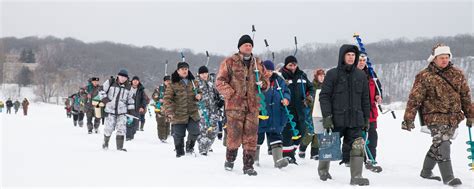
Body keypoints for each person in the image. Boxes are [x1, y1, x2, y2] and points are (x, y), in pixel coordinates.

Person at [402, 44, 473, 186]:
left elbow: (465, 96)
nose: (445, 60)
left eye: (447, 57)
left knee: (438, 143)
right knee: (443, 142)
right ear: (434, 58)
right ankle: (449, 178)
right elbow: (414, 99)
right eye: (442, 58)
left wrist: (470, 115)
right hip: (433, 116)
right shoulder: (424, 76)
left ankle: (426, 171)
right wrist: (408, 119)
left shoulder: (457, 74)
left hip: (453, 117)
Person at [215, 34, 269, 176]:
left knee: (251, 137)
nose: (248, 46)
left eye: (250, 45)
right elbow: (220, 81)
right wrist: (231, 94)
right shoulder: (229, 62)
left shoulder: (258, 63)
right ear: (240, 47)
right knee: (234, 136)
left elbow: (266, 82)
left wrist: (262, 84)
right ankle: (230, 159)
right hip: (234, 107)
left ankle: (248, 166)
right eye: (245, 44)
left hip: (253, 106)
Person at [319, 44, 370, 185]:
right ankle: (323, 170)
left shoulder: (361, 75)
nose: (351, 57)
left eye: (353, 55)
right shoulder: (332, 74)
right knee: (329, 144)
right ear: (342, 56)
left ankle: (356, 177)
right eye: (348, 55)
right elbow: (324, 96)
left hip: (356, 119)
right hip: (336, 119)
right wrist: (327, 116)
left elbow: (365, 99)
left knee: (358, 144)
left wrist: (366, 118)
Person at [255, 60, 290, 168]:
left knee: (276, 136)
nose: (269, 72)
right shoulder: (257, 80)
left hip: (276, 114)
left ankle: (278, 160)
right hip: (262, 114)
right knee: (257, 137)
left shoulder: (279, 81)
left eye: (271, 70)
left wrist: (286, 99)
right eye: (267, 70)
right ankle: (254, 159)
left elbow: (286, 91)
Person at [280, 55, 315, 164]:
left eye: (295, 64)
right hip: (287, 110)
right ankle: (288, 156)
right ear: (286, 65)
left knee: (301, 132)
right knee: (288, 133)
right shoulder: (281, 76)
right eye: (290, 65)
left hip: (301, 109)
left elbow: (311, 88)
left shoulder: (302, 76)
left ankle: (292, 151)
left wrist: (309, 97)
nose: (293, 67)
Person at [163, 62, 202, 157]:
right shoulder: (173, 84)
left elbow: (200, 93)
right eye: (182, 69)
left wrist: (199, 96)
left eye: (186, 69)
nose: (185, 71)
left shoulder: (194, 82)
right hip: (178, 114)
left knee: (195, 132)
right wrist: (169, 111)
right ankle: (180, 153)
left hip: (192, 113)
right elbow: (167, 99)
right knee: (178, 136)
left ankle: (189, 147)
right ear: (178, 71)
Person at [356, 53, 383, 172]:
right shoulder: (352, 74)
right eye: (359, 60)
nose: (362, 62)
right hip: (358, 111)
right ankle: (359, 159)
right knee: (359, 136)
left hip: (371, 111)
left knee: (372, 135)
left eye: (364, 60)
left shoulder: (372, 74)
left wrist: (378, 96)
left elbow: (378, 89)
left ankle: (371, 158)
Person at [99, 69, 135, 152]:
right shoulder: (110, 82)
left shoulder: (129, 87)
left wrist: (131, 112)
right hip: (110, 111)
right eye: (121, 76)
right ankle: (105, 143)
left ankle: (119, 148)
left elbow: (131, 100)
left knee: (121, 129)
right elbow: (101, 90)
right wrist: (105, 100)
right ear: (118, 76)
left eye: (125, 77)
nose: (123, 78)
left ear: (127, 78)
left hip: (122, 112)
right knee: (108, 129)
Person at [299, 69, 325, 160]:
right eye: (320, 75)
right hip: (311, 112)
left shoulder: (326, 87)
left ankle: (315, 152)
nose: (322, 77)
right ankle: (303, 147)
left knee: (318, 133)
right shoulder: (312, 86)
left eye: (323, 75)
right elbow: (308, 97)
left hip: (321, 113)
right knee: (309, 132)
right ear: (316, 76)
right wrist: (308, 100)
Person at [196, 66, 222, 155]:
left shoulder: (213, 82)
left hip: (214, 109)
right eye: (202, 74)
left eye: (205, 73)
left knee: (213, 130)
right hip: (203, 109)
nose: (204, 75)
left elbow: (220, 91)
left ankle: (207, 145)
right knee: (204, 129)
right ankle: (202, 149)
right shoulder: (196, 83)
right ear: (199, 74)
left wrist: (221, 100)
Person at [126, 76, 147, 140]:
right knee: (129, 122)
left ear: (138, 82)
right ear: (132, 81)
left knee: (135, 125)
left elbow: (144, 99)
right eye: (134, 80)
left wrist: (142, 107)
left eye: (137, 80)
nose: (135, 81)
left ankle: (131, 134)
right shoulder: (128, 87)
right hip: (128, 109)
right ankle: (128, 136)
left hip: (137, 109)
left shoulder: (141, 89)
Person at [152, 76, 171, 142]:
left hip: (169, 109)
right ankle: (162, 137)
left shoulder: (173, 88)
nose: (168, 82)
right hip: (159, 108)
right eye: (167, 81)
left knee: (167, 123)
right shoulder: (159, 88)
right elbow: (154, 96)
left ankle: (166, 136)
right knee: (161, 123)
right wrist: (158, 99)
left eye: (169, 81)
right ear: (164, 81)